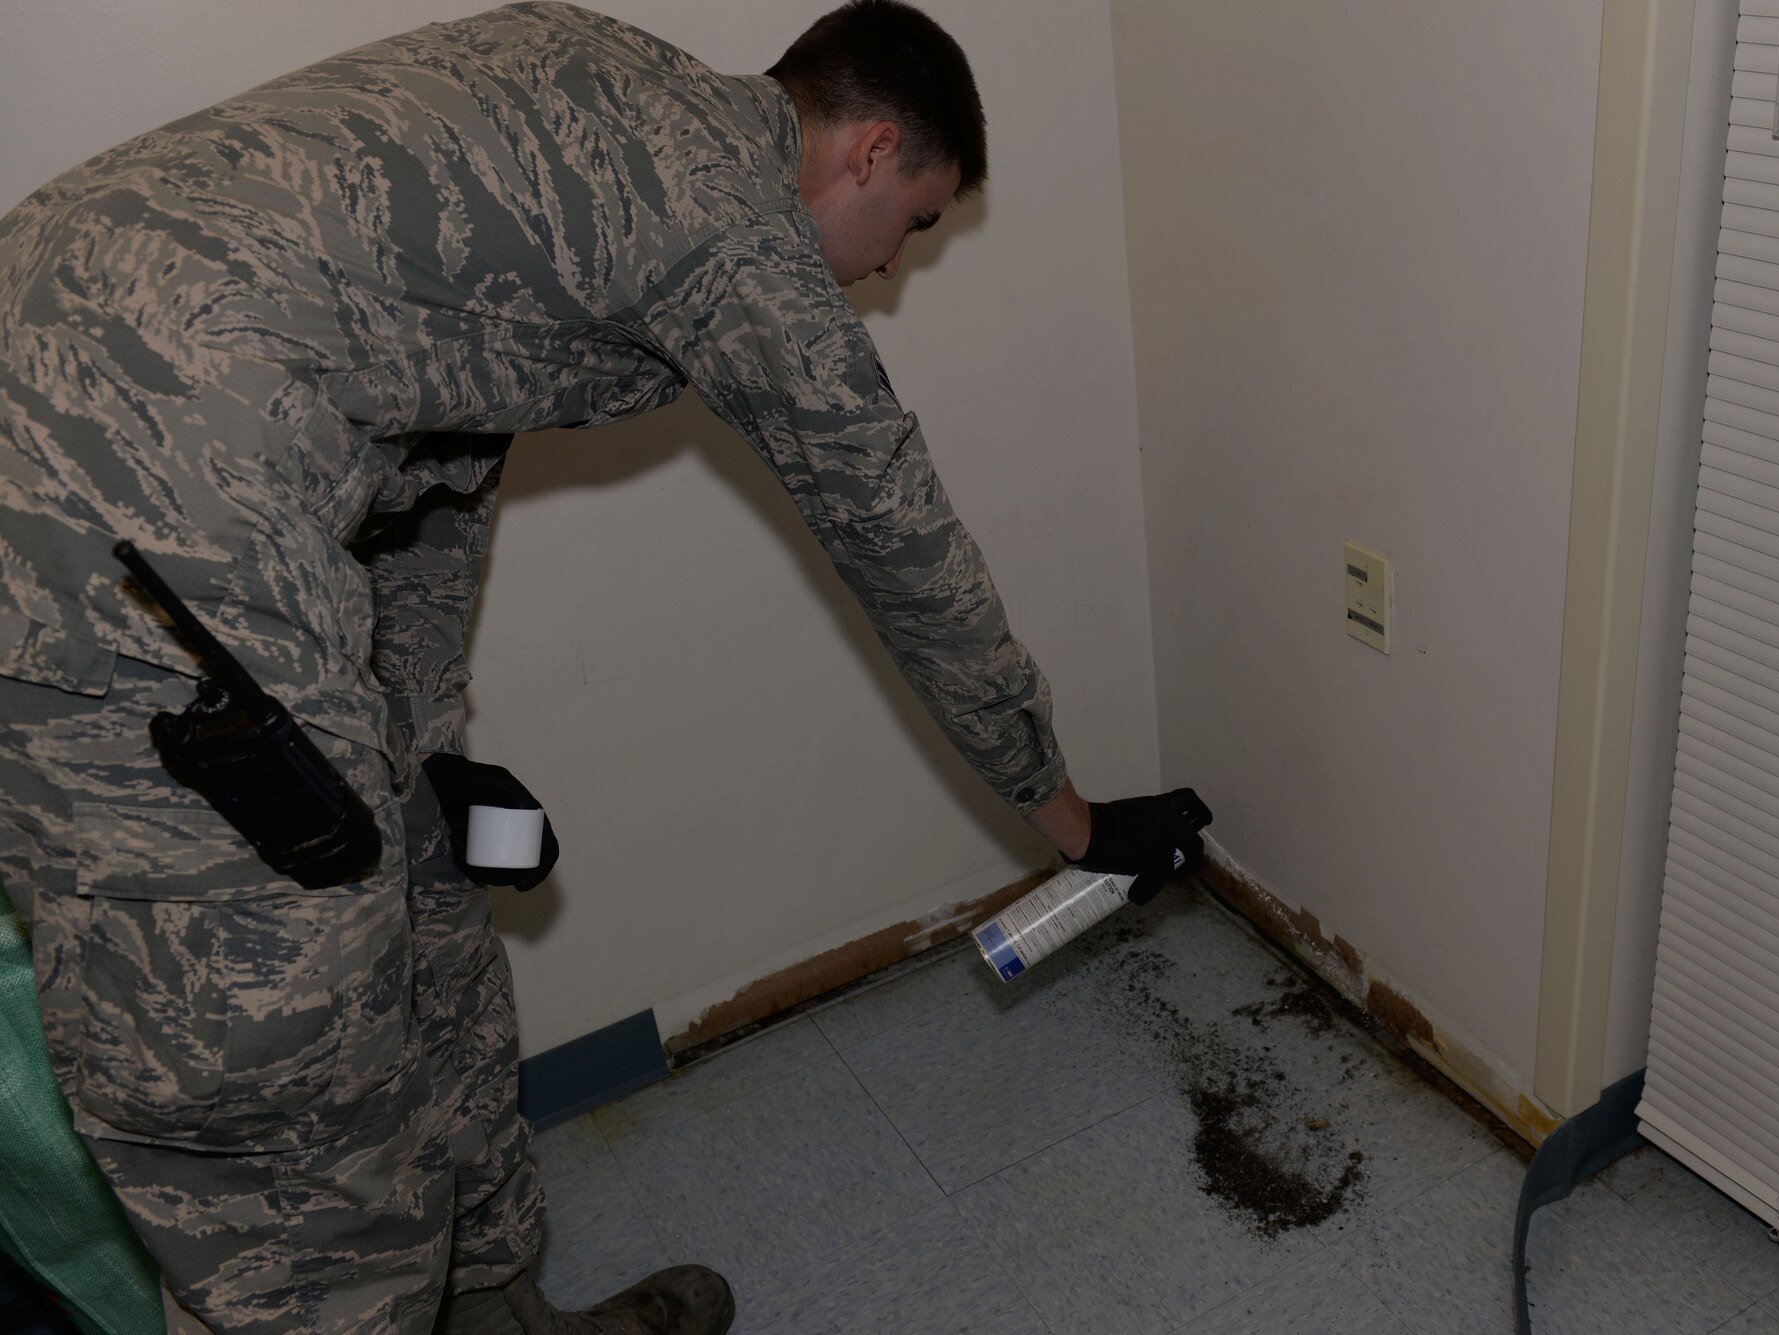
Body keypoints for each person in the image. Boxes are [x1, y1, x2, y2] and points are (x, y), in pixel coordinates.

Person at [0, 3, 1206, 1332]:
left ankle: (500, 1315)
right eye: (911, 225)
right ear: (868, 152)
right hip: (110, 531)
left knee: (429, 899)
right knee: (291, 1115)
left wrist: (421, 738)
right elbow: (898, 538)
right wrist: (1072, 820)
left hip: (141, 453)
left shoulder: (607, 103)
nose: (886, 272)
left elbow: (429, 438)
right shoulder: (732, 222)